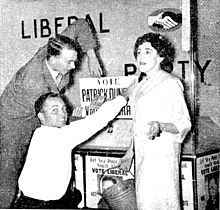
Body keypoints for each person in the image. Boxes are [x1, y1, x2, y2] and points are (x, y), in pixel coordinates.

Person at [0, 18, 103, 208]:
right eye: (69, 62)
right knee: (7, 177)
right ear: (53, 59)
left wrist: (92, 55)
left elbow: (81, 25)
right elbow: (57, 120)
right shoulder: (34, 83)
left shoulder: (55, 49)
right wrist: (91, 116)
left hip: (36, 111)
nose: (73, 66)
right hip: (13, 125)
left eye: (75, 60)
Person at [11, 87, 131, 208]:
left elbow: (76, 125)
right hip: (42, 205)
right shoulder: (60, 136)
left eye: (64, 108)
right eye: (54, 110)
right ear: (41, 116)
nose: (62, 114)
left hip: (25, 201)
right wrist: (125, 95)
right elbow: (98, 120)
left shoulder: (40, 133)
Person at [118, 33, 191, 209]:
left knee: (163, 203)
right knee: (145, 203)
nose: (140, 57)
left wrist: (160, 126)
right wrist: (129, 155)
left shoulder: (171, 83)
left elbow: (184, 123)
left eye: (148, 52)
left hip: (162, 157)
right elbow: (137, 125)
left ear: (161, 56)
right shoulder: (140, 85)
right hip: (143, 157)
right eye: (139, 52)